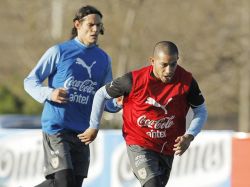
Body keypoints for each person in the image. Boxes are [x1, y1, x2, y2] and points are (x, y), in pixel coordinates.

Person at [78, 41, 208, 187]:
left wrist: (189, 136)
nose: (169, 70)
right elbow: (101, 94)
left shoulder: (186, 81)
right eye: (164, 64)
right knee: (152, 184)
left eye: (173, 64)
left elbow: (201, 110)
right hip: (139, 143)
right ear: (152, 61)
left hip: (167, 146)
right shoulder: (133, 80)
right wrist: (94, 126)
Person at [24, 5, 121, 187]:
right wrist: (50, 93)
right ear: (77, 24)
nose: (95, 29)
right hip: (57, 128)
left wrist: (118, 102)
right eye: (91, 25)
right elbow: (30, 81)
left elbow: (105, 99)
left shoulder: (104, 59)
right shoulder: (59, 52)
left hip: (83, 132)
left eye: (98, 25)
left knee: (69, 184)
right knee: (64, 181)